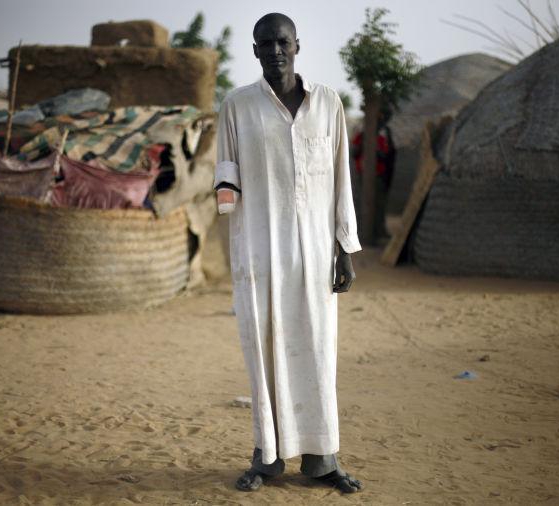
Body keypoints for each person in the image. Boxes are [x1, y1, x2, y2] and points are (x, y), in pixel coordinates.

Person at [213, 12, 363, 494]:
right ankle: (268, 458)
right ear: (254, 50)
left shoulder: (328, 105)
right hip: (259, 249)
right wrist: (228, 217)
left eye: (282, 41)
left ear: (296, 45)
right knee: (265, 350)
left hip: (318, 251)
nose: (274, 50)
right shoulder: (237, 107)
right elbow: (225, 176)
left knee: (318, 350)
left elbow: (342, 177)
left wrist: (345, 247)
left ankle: (324, 460)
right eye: (264, 43)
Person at [351, 109, 396, 242]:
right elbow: (354, 153)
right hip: (363, 176)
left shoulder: (382, 138)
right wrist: (364, 145)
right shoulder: (361, 136)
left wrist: (376, 151)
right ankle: (361, 232)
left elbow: (386, 157)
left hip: (379, 176)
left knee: (379, 204)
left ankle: (378, 231)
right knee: (362, 203)